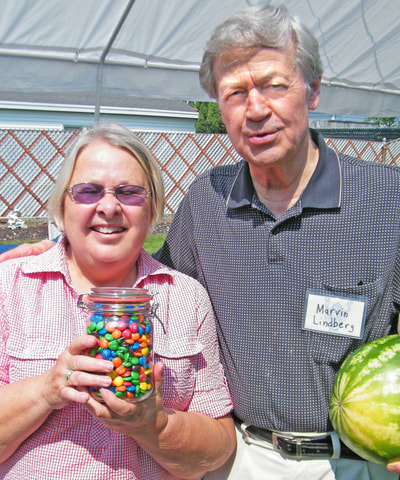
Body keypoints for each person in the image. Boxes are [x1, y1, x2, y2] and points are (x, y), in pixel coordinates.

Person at [2, 5, 400, 480]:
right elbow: (144, 275)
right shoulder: (207, 203)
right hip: (244, 458)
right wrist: (50, 254)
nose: (256, 110)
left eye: (274, 85)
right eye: (235, 93)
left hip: (357, 461)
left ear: (312, 90)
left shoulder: (387, 200)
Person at [0, 122, 235, 480]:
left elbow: (217, 449)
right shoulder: (10, 286)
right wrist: (46, 390)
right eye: (89, 191)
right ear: (62, 204)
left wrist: (154, 425)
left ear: (152, 209)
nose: (109, 207)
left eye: (129, 192)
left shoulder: (186, 298)